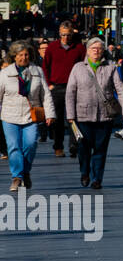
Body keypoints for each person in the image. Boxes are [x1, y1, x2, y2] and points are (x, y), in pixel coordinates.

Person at [66, 38, 123, 189]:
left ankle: (97, 179)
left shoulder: (110, 67)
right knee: (84, 148)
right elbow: (70, 93)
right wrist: (70, 115)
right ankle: (84, 172)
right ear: (87, 50)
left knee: (101, 149)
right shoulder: (78, 68)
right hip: (83, 115)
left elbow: (120, 90)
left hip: (105, 116)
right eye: (93, 48)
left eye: (99, 48)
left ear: (103, 51)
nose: (96, 50)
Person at [0, 41, 56, 191]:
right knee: (14, 147)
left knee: (31, 145)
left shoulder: (37, 71)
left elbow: (45, 95)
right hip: (9, 116)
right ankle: (17, 177)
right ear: (14, 56)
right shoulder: (5, 73)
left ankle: (25, 171)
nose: (23, 57)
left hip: (31, 116)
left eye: (26, 54)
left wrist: (50, 114)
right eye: (20, 55)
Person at [43, 21, 85, 158]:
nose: (65, 38)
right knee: (57, 120)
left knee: (74, 119)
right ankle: (58, 146)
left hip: (75, 87)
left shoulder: (79, 48)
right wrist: (49, 84)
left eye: (68, 35)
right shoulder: (52, 47)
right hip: (57, 87)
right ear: (59, 34)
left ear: (73, 33)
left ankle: (74, 145)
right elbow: (45, 67)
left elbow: (84, 67)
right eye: (63, 35)